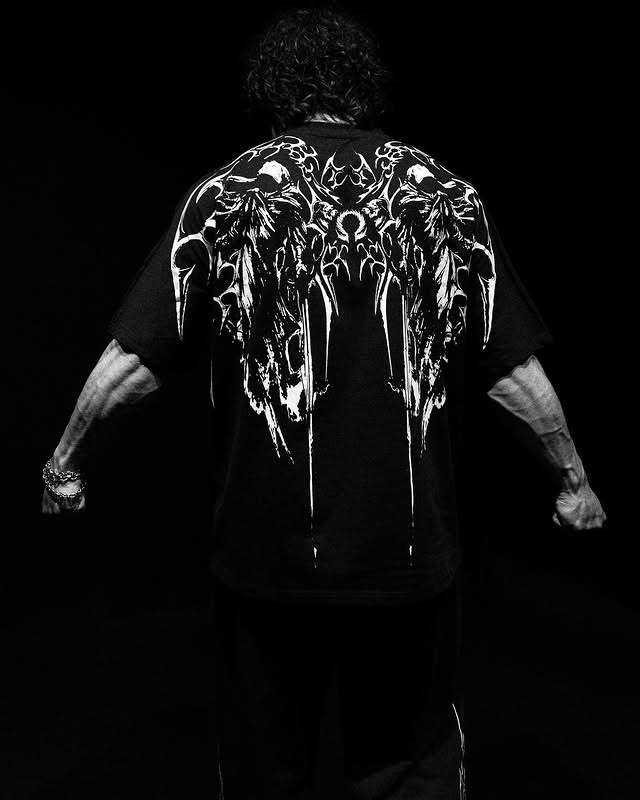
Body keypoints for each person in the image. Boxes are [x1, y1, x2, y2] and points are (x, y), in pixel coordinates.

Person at [41, 6, 606, 799]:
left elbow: (135, 359)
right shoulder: (447, 196)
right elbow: (510, 369)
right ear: (365, 90)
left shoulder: (225, 195)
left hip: (265, 556)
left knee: (265, 769)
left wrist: (66, 464)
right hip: (405, 555)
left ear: (270, 92)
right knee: (411, 764)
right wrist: (573, 480)